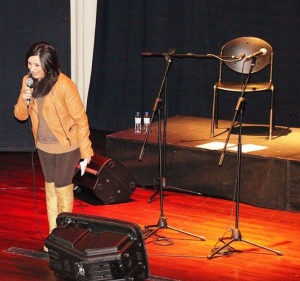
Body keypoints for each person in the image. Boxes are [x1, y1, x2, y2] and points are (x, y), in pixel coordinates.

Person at [14, 42, 94, 252]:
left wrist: (86, 153)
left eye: (36, 65)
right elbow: (20, 115)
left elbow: (80, 119)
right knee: (50, 188)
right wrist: (24, 99)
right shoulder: (27, 82)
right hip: (43, 145)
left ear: (48, 65)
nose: (32, 69)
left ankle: (64, 234)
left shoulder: (64, 85)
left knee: (62, 187)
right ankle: (53, 234)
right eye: (29, 64)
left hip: (67, 145)